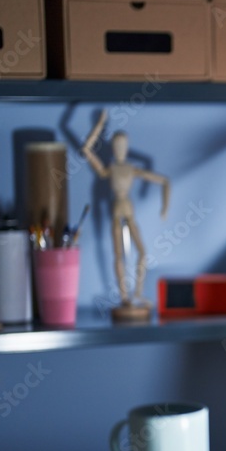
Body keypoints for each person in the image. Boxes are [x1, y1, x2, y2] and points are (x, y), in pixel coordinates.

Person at [82, 110, 170, 318]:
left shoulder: (131, 169)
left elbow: (164, 181)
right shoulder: (109, 169)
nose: (120, 149)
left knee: (142, 252)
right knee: (118, 255)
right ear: (113, 147)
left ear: (127, 147)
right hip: (115, 211)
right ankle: (124, 296)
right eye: (116, 145)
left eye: (123, 145)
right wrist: (99, 125)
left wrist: (164, 206)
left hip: (128, 210)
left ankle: (137, 293)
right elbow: (86, 149)